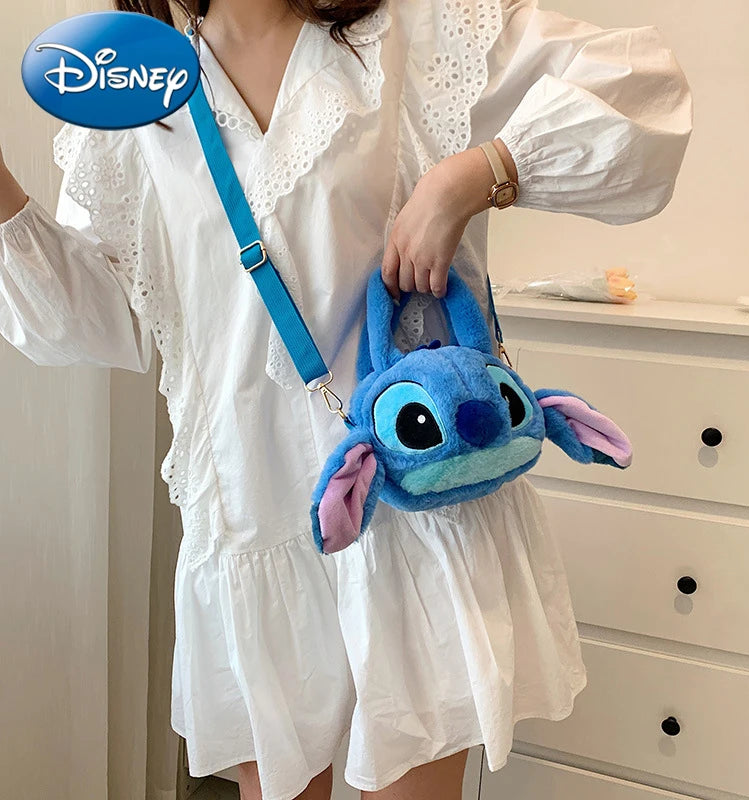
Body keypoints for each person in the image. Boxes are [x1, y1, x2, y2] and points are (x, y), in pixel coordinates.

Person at [0, 0, 692, 797]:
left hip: (412, 502)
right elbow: (105, 317)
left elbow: (645, 92)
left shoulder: (420, 31)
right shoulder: (133, 90)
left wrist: (474, 175)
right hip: (254, 511)